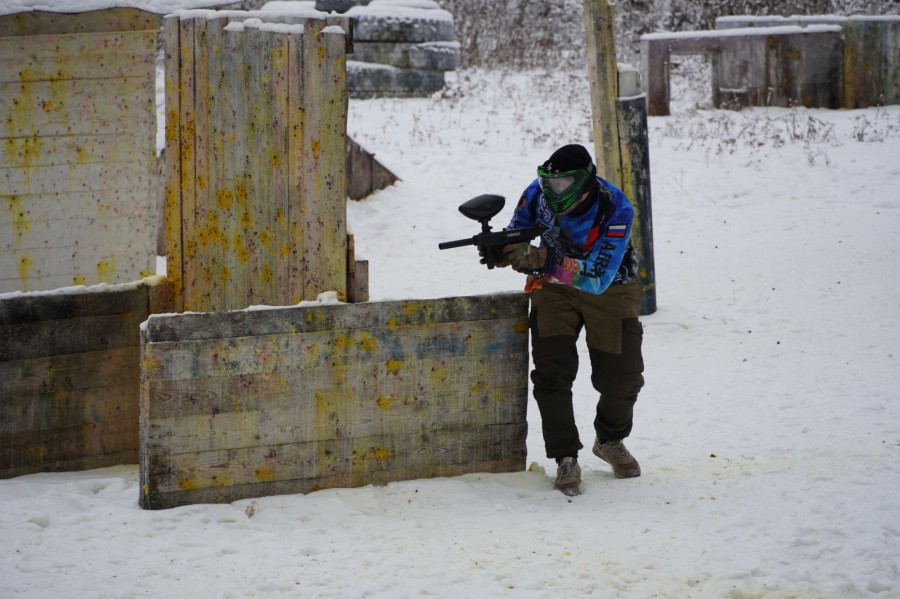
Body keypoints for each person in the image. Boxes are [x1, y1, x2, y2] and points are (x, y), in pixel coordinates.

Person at [486, 144, 645, 496]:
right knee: (551, 372)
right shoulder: (536, 192)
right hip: (553, 290)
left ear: (585, 181)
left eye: (564, 184)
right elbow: (519, 232)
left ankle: (610, 440)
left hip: (611, 288)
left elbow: (598, 276)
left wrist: (542, 259)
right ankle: (565, 457)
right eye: (551, 183)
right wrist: (503, 249)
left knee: (622, 379)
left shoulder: (616, 207)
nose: (555, 191)